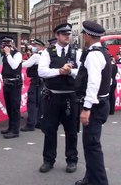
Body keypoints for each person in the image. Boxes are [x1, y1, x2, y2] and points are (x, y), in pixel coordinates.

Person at [38, 23, 80, 174]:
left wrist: (70, 72)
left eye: (68, 34)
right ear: (57, 35)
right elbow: (42, 71)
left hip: (70, 96)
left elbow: (81, 71)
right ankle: (48, 160)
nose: (67, 36)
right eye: (63, 34)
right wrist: (59, 71)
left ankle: (72, 160)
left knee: (71, 130)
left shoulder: (77, 51)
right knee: (50, 130)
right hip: (53, 96)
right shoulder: (48, 52)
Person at [74, 20, 111, 185]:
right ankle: (90, 178)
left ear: (87, 35)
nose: (83, 37)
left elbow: (93, 83)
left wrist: (87, 108)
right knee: (89, 145)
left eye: (83, 34)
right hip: (101, 102)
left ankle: (99, 181)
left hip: (95, 106)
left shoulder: (94, 55)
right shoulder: (102, 52)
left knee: (92, 146)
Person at [0, 36, 23, 139]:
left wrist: (8, 54)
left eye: (7, 43)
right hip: (7, 83)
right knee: (9, 107)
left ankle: (15, 130)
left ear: (12, 44)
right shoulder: (4, 56)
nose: (4, 46)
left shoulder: (17, 54)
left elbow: (14, 66)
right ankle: (10, 127)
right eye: (4, 44)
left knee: (15, 108)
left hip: (15, 84)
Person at [21, 39, 45, 132]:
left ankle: (31, 124)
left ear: (40, 46)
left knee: (32, 102)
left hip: (36, 82)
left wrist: (23, 61)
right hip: (43, 82)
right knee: (40, 103)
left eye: (35, 45)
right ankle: (39, 122)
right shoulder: (46, 54)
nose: (34, 47)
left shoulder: (36, 56)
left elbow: (25, 65)